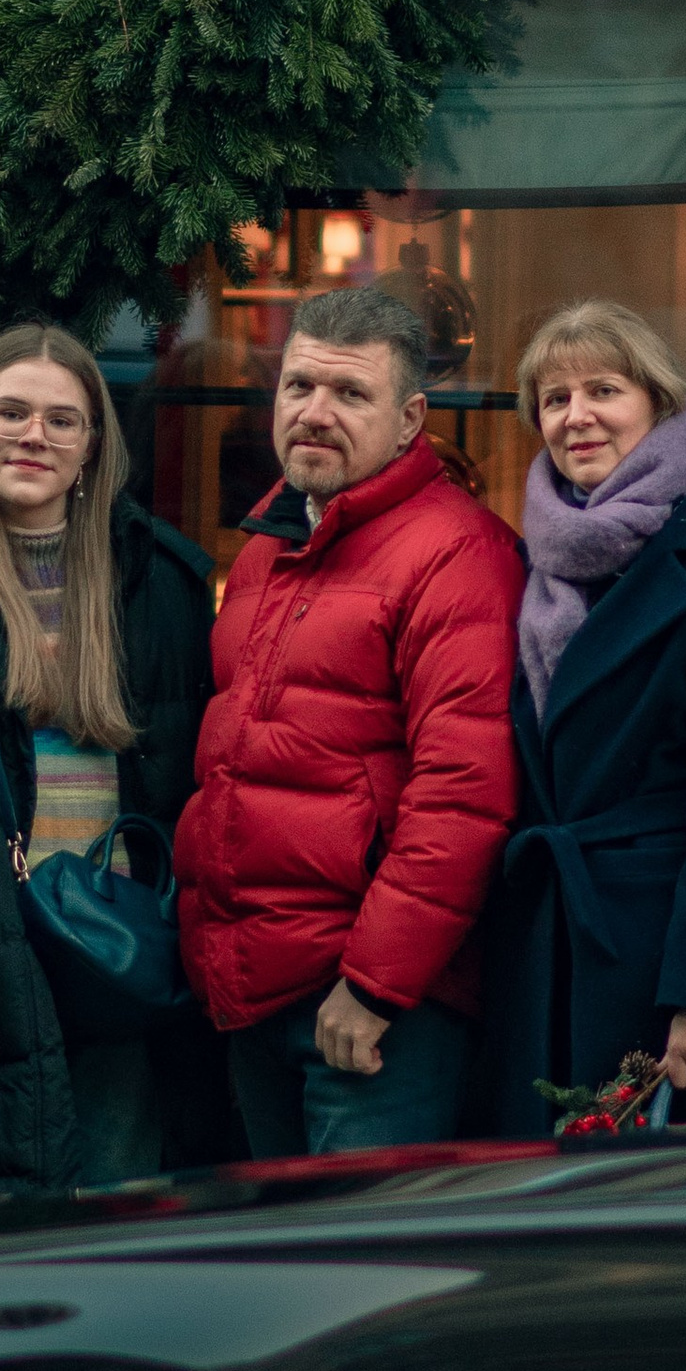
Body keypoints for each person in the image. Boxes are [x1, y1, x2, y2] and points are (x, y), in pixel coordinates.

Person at [0, 323, 214, 1208]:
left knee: (113, 1239)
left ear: (94, 445)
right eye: (11, 412)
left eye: (63, 420)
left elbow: (194, 791)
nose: (34, 436)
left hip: (118, 968)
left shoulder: (160, 580)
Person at [175, 284, 523, 1154]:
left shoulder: (459, 555)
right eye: (299, 387)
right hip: (251, 989)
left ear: (409, 419)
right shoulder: (264, 549)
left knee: (360, 1275)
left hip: (369, 1013)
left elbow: (465, 799)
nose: (314, 414)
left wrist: (374, 986)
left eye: (349, 394)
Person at [483, 298, 686, 1132]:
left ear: (657, 405)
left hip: (659, 962)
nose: (576, 417)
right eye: (554, 400)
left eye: (603, 391)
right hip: (552, 946)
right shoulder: (541, 562)